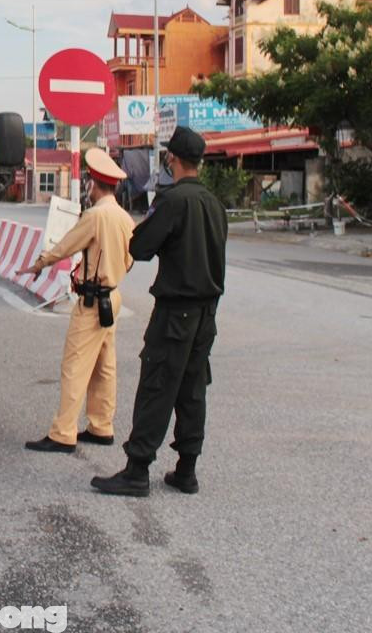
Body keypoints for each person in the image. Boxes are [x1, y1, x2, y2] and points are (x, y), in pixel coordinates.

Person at [91, 126, 227, 497]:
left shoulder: (173, 200)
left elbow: (141, 246)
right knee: (192, 389)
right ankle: (187, 470)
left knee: (157, 386)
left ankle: (136, 471)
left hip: (176, 311)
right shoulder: (214, 205)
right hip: (206, 314)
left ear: (173, 159)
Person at [19, 148, 135, 452]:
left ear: (94, 183)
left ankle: (63, 433)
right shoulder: (125, 218)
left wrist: (40, 262)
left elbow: (68, 245)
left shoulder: (95, 216)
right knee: (104, 365)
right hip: (113, 296)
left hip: (92, 301)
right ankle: (101, 426)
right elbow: (131, 258)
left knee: (75, 365)